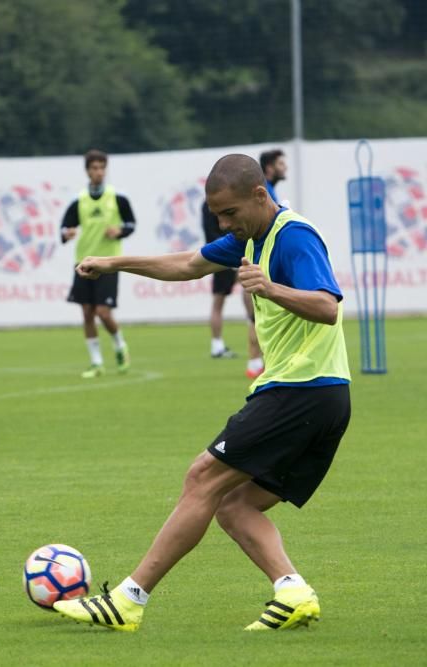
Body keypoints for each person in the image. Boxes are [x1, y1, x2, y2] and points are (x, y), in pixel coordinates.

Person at [55, 154, 350, 632]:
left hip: (302, 390)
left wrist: (271, 289)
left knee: (202, 478)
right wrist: (114, 263)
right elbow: (188, 264)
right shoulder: (248, 237)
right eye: (218, 216)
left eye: (230, 213)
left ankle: (128, 600)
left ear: (260, 195)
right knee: (235, 506)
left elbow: (327, 306)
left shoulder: (294, 235)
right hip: (321, 396)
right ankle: (292, 591)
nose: (224, 223)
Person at [60, 149, 135, 378]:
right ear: (87, 171)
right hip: (83, 263)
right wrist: (68, 233)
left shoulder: (117, 198)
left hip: (109, 263)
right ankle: (96, 362)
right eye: (94, 168)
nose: (98, 172)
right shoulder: (79, 200)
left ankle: (120, 346)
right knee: (87, 313)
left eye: (102, 167)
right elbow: (64, 229)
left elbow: (131, 224)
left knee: (103, 312)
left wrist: (119, 231)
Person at [202, 200, 265, 378]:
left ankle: (224, 346)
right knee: (225, 299)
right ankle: (219, 346)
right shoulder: (217, 202)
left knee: (247, 290)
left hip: (227, 252)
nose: (224, 222)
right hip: (225, 253)